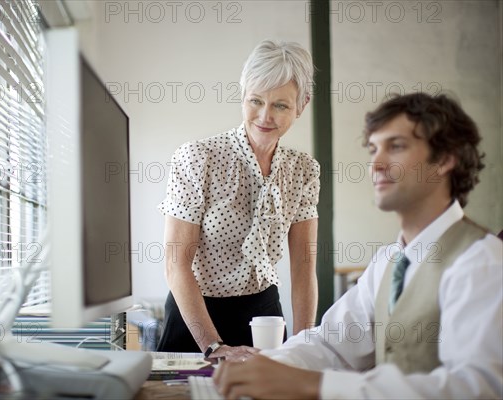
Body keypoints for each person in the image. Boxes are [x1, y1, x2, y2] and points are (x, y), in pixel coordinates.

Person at [214, 92, 503, 399]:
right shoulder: (388, 261)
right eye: (373, 149)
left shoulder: (482, 261)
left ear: (445, 159)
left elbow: (479, 388)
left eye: (396, 147)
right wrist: (262, 366)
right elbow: (330, 344)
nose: (375, 164)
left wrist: (315, 385)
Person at [156, 39, 320, 358]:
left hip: (263, 312)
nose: (265, 116)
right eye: (255, 101)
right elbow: (176, 265)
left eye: (281, 105)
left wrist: (306, 348)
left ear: (302, 105)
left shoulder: (304, 169)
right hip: (196, 316)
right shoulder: (197, 158)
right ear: (243, 96)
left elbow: (303, 266)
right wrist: (214, 345)